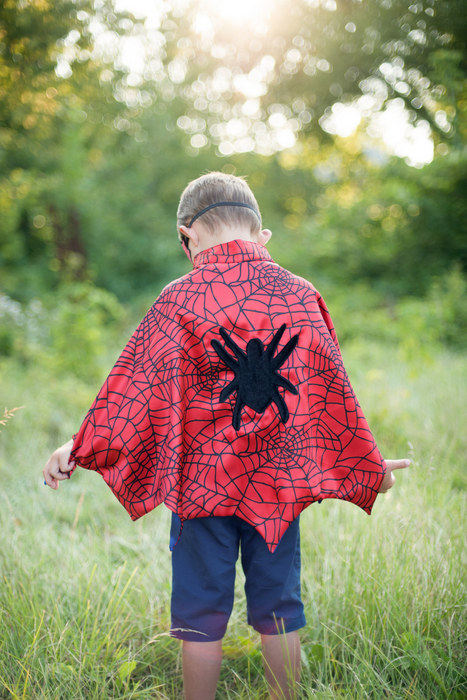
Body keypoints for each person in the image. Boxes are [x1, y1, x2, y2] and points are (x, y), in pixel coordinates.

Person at [43, 172, 410, 700]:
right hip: (276, 490)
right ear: (262, 236)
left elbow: (134, 389)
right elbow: (331, 394)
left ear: (186, 235)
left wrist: (78, 448)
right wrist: (369, 469)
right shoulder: (302, 295)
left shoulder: (178, 299)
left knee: (200, 613)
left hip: (200, 490)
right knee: (280, 609)